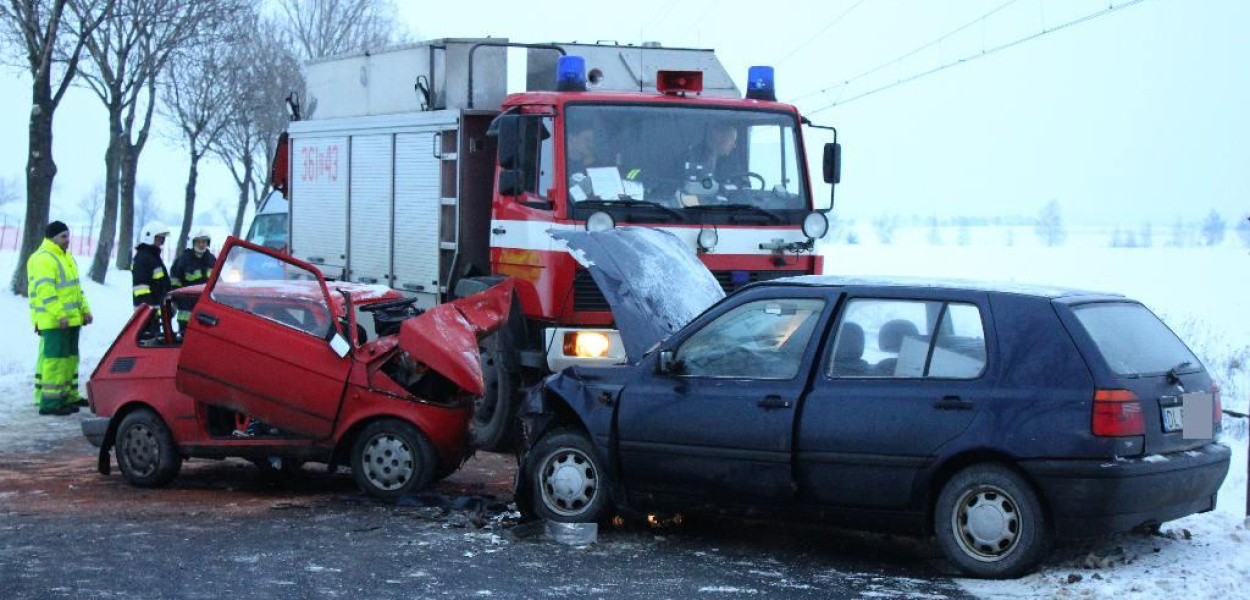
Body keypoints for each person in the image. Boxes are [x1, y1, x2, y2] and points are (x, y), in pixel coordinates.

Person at [27, 221, 93, 416]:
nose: (68, 240)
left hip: (71, 319)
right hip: (55, 320)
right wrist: (60, 315)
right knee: (55, 361)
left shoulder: (66, 258)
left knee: (69, 359)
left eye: (68, 236)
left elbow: (76, 290)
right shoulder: (43, 259)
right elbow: (46, 292)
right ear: (53, 238)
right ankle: (50, 403)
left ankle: (67, 395)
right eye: (64, 236)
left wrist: (85, 310)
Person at [170, 229, 216, 333]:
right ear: (193, 243)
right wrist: (175, 302)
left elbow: (217, 282)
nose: (201, 244)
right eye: (198, 241)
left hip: (206, 309)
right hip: (186, 310)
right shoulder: (183, 260)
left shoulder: (212, 260)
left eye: (204, 241)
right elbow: (175, 283)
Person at [132, 223, 172, 338]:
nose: (161, 240)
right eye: (159, 237)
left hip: (154, 314)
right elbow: (141, 290)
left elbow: (162, 284)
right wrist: (150, 312)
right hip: (147, 316)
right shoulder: (143, 258)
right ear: (149, 237)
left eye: (162, 238)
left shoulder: (153, 256)